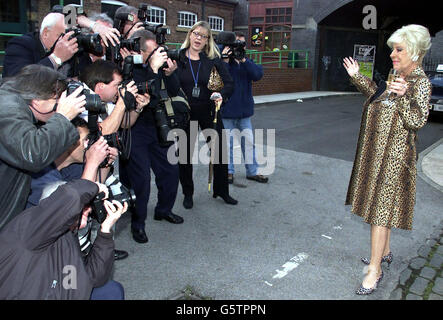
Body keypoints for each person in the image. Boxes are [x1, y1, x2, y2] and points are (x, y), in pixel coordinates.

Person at [343, 24, 432, 295]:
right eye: (393, 48)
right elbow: (377, 96)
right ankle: (385, 252)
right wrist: (358, 77)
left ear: (414, 51)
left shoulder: (420, 82)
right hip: (375, 155)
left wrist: (404, 97)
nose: (393, 53)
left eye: (399, 49)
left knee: (380, 212)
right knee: (379, 208)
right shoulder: (397, 75)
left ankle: (374, 270)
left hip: (394, 160)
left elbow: (417, 120)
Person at [0, 179, 127, 300]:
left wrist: (105, 232)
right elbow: (71, 195)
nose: (87, 212)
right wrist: (96, 188)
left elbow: (94, 278)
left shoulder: (68, 238)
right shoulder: (28, 232)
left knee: (111, 290)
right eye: (81, 208)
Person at [0, 64, 86, 231]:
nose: (60, 106)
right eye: (57, 100)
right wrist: (63, 117)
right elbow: (33, 153)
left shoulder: (12, 101)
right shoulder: (7, 110)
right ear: (37, 100)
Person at [119, 29, 184, 244]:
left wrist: (169, 73)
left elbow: (173, 91)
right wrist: (154, 70)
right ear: (141, 51)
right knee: (142, 180)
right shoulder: (130, 67)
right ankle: (138, 224)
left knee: (171, 170)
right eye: (153, 51)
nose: (159, 53)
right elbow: (147, 92)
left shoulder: (157, 66)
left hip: (158, 125)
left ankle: (163, 210)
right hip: (135, 128)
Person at [176, 21, 237, 209]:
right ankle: (188, 193)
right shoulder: (178, 58)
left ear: (207, 40)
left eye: (203, 36)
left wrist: (221, 94)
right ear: (190, 35)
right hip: (185, 113)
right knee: (185, 156)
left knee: (219, 152)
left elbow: (229, 84)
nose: (198, 38)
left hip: (209, 111)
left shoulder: (212, 60)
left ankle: (222, 191)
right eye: (196, 33)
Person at [2, 11, 120, 78]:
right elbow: (18, 80)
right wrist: (56, 58)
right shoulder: (21, 45)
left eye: (70, 35)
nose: (66, 40)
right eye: (62, 35)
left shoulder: (76, 52)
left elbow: (71, 11)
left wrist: (94, 26)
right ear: (46, 33)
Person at [220, 32, 268, 185]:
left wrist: (244, 60)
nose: (239, 47)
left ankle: (252, 172)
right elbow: (220, 78)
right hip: (227, 111)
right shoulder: (225, 62)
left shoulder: (247, 62)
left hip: (244, 112)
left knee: (248, 143)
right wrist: (226, 60)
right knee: (228, 145)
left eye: (242, 44)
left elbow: (257, 74)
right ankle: (228, 172)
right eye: (236, 44)